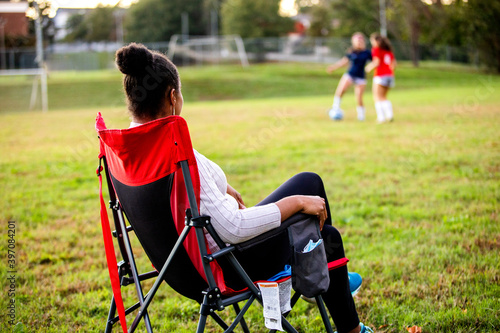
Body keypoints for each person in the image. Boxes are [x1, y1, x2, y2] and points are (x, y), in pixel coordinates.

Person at [115, 43, 373, 333]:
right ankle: (337, 303)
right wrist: (297, 203)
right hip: (227, 266)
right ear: (172, 96)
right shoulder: (173, 149)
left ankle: (324, 275)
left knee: (309, 181)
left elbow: (186, 188)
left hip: (179, 270)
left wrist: (221, 187)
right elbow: (234, 228)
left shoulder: (132, 150)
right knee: (326, 236)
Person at [326, 32, 372, 121]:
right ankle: (335, 108)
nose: (359, 42)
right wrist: (334, 67)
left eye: (360, 40)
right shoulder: (352, 51)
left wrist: (370, 67)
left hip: (361, 76)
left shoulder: (367, 53)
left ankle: (361, 116)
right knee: (341, 90)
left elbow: (375, 61)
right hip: (350, 74)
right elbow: (344, 61)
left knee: (359, 97)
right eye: (357, 40)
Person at [365, 33, 397, 123]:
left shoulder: (376, 49)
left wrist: (368, 68)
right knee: (384, 97)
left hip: (380, 75)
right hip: (390, 76)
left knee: (377, 97)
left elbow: (376, 62)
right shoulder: (388, 51)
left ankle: (382, 117)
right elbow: (394, 64)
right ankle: (389, 115)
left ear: (376, 41)